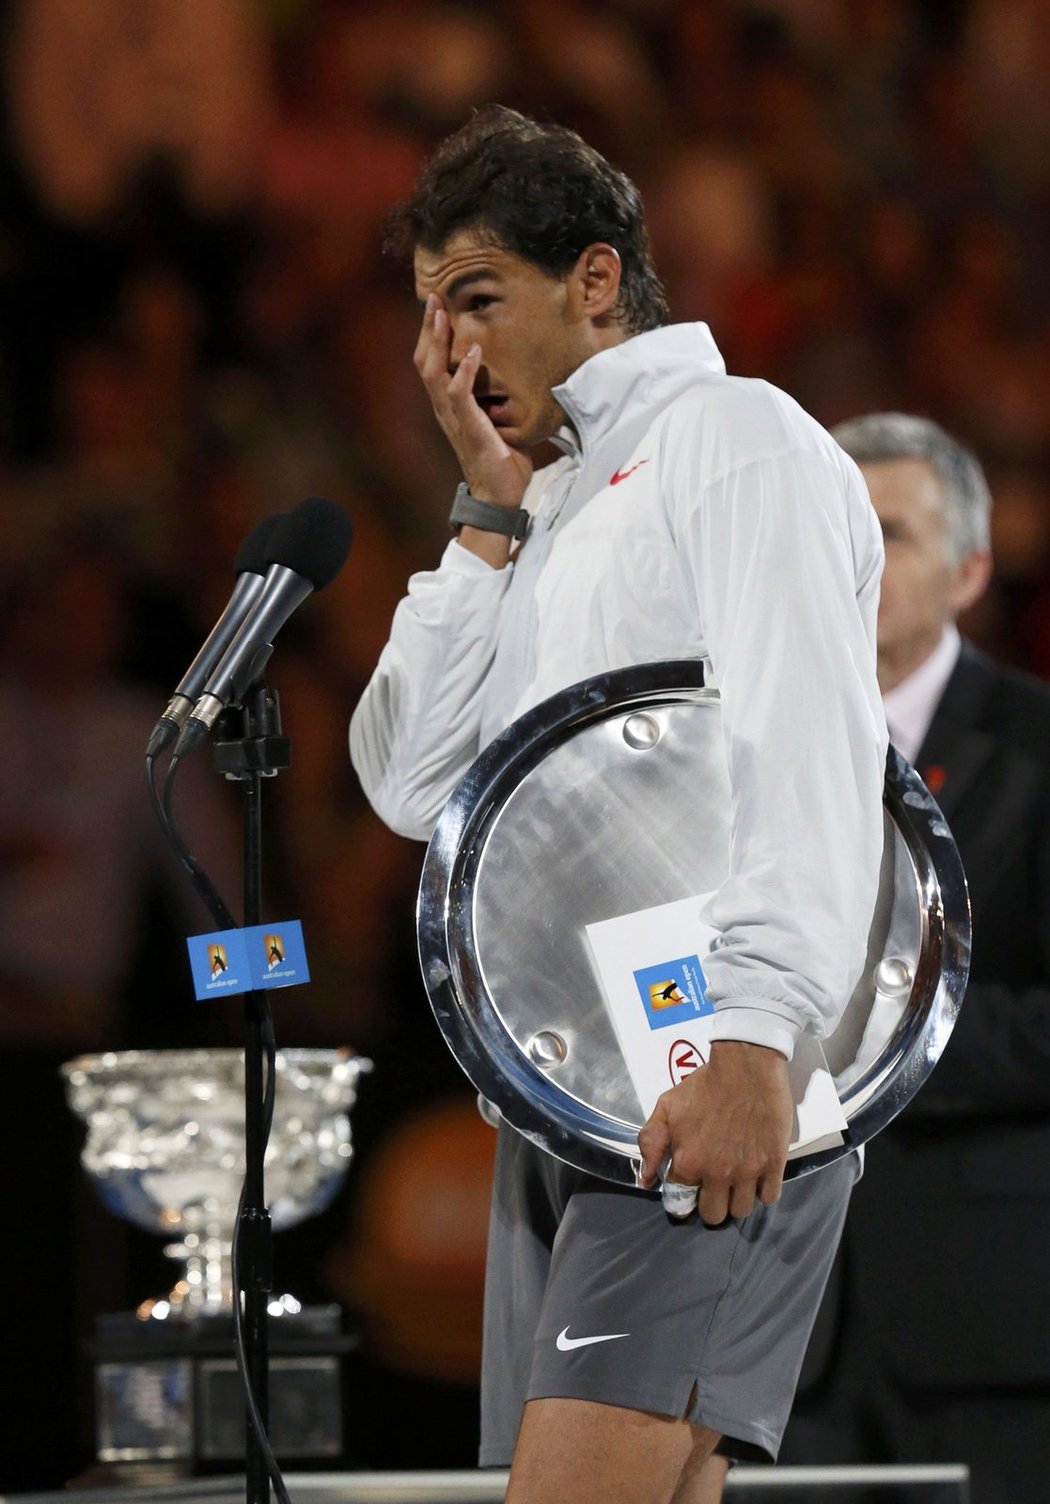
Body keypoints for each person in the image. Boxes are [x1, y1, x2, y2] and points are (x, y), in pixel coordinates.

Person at [349, 106, 887, 1504]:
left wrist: (752, 1037)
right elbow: (412, 789)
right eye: (428, 318)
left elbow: (809, 746)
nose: (450, 355)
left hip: (705, 1068)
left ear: (593, 282)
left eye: (477, 299)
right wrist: (483, 516)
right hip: (573, 1090)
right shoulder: (547, 502)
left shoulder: (734, 437)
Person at [780, 414, 1050, 1504]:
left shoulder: (1038, 745)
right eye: (842, 530)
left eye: (891, 532)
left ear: (973, 568)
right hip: (784, 1324)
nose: (860, 562)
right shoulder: (734, 746)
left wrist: (875, 1036)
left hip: (990, 1324)